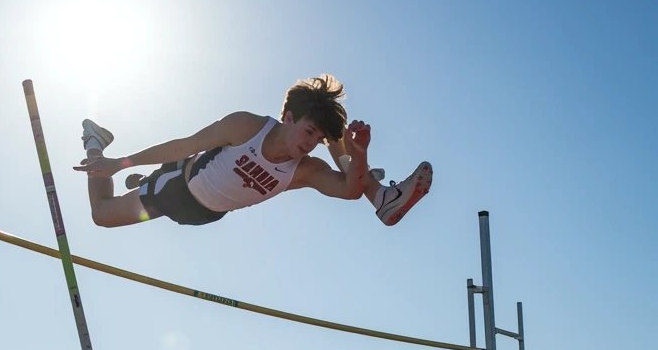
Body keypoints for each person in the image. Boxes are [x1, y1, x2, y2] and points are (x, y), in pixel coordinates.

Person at [74, 76, 432, 229]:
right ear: (287, 117)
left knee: (346, 166)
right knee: (102, 216)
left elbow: (350, 191)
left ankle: (382, 196)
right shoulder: (246, 127)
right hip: (177, 191)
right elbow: (185, 145)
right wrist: (118, 163)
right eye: (308, 131)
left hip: (207, 214)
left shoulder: (304, 169)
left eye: (319, 138)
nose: (309, 143)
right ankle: (96, 140)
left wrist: (361, 154)